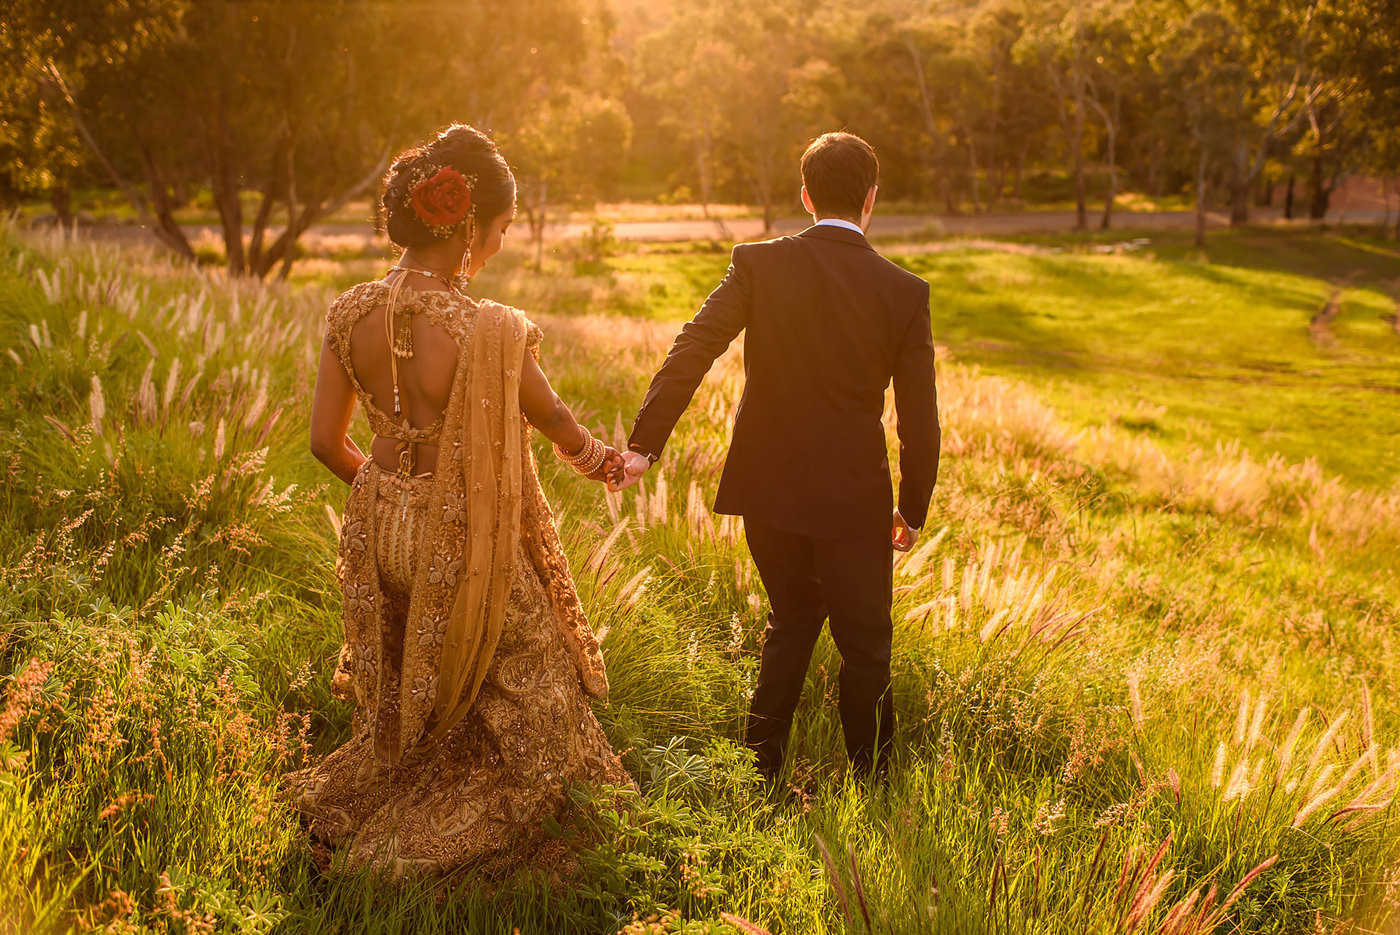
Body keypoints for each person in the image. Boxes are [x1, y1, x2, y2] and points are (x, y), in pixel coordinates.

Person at [284, 124, 630, 878]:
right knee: (538, 700)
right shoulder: (489, 329)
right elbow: (561, 426)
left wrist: (397, 499)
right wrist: (612, 463)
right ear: (467, 225)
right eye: (501, 229)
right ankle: (400, 856)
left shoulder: (348, 312)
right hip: (465, 544)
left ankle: (360, 807)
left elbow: (323, 441)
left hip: (379, 531)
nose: (500, 245)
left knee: (424, 691)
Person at [610, 132, 940, 784]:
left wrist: (644, 447)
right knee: (866, 647)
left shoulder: (757, 263)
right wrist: (913, 505)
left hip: (768, 491)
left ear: (805, 194)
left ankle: (758, 773)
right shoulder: (904, 291)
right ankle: (872, 788)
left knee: (790, 621)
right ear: (872, 199)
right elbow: (920, 418)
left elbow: (693, 347)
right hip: (854, 499)